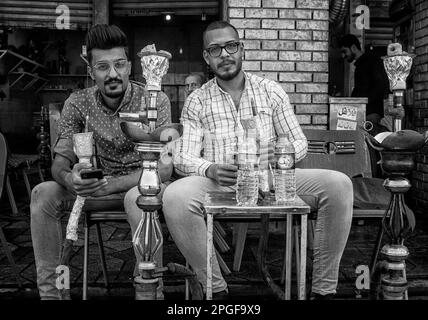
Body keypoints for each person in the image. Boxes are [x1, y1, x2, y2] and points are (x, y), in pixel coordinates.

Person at [162, 21, 353, 300]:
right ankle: (215, 288)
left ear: (241, 49)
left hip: (274, 180)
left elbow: (299, 141)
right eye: (215, 49)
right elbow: (183, 156)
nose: (224, 54)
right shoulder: (197, 100)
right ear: (207, 57)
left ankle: (324, 291)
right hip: (222, 182)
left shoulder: (270, 91)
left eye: (231, 46)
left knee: (339, 184)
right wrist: (210, 168)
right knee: (176, 196)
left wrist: (281, 152)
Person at [30, 24, 172, 300]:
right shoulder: (78, 102)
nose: (113, 74)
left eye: (119, 64)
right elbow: (59, 163)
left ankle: (150, 294)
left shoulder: (154, 100)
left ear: (130, 66)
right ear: (91, 71)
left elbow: (165, 168)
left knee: (138, 198)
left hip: (141, 187)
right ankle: (51, 295)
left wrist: (113, 184)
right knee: (43, 193)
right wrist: (71, 178)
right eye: (103, 67)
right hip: (93, 191)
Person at [338, 34, 391, 133]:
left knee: (368, 143)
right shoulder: (361, 64)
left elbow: (381, 85)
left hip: (371, 113)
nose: (343, 56)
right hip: (363, 112)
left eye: (344, 51)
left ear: (353, 47)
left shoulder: (372, 61)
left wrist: (364, 102)